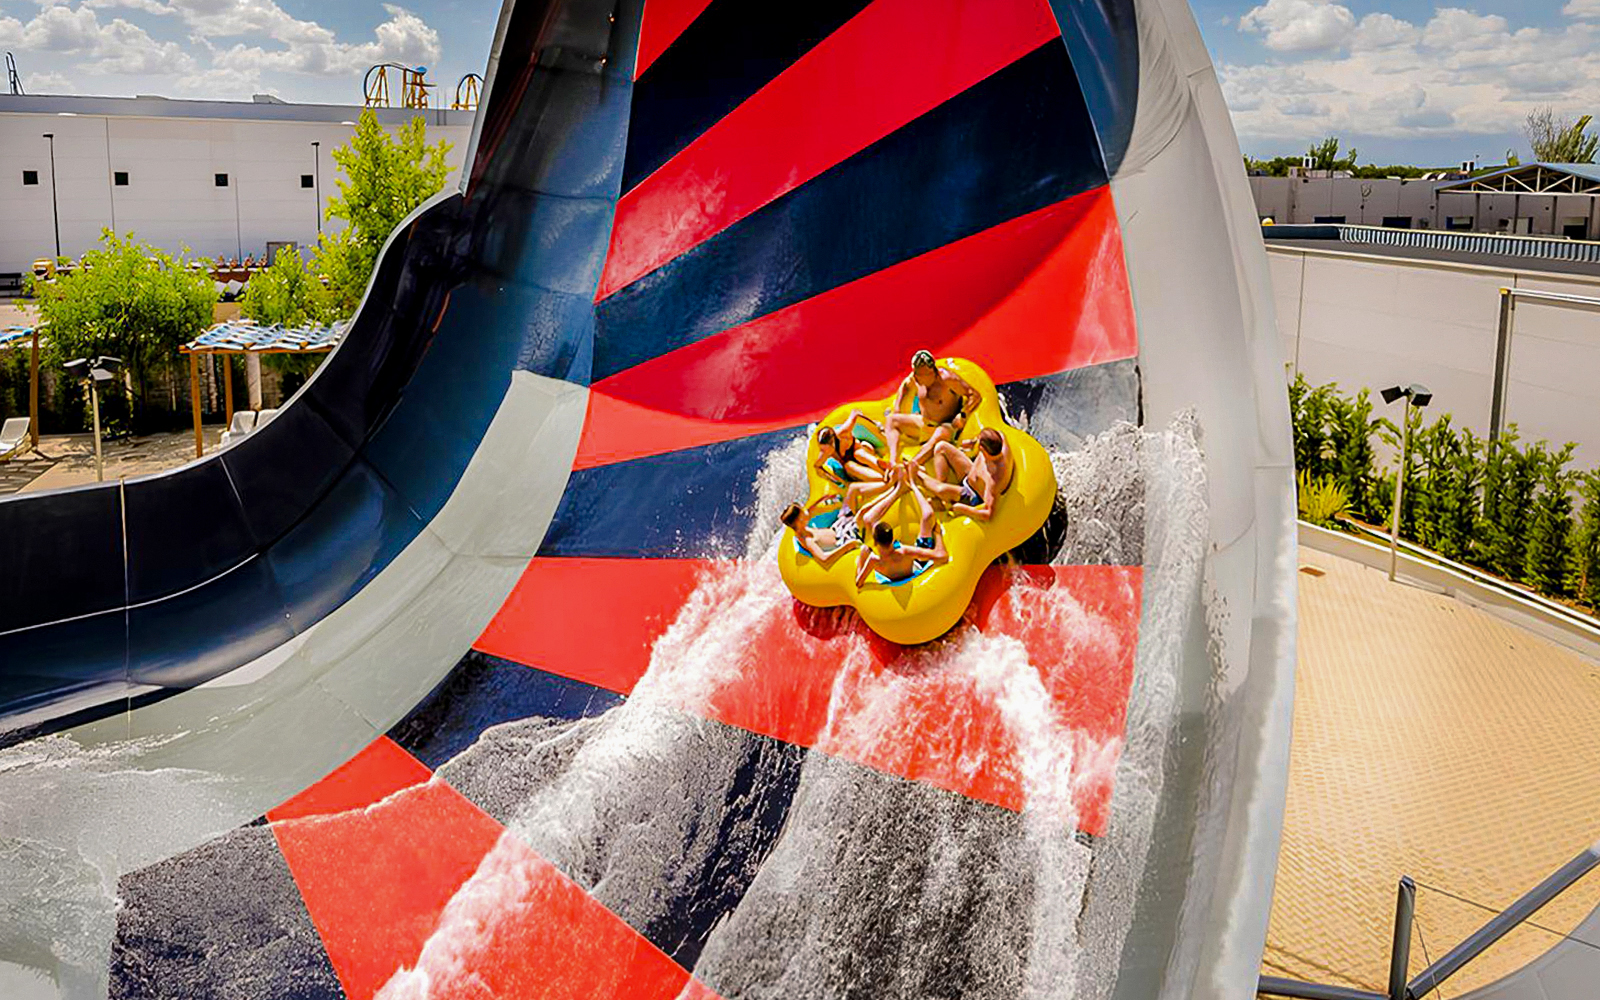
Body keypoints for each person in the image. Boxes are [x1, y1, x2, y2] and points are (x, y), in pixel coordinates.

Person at [854, 467, 948, 586]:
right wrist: (938, 534)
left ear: (875, 542)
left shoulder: (873, 560)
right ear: (893, 539)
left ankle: (898, 489)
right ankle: (912, 484)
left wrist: (860, 560)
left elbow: (858, 582)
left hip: (893, 573)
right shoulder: (905, 551)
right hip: (913, 567)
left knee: (868, 519)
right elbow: (942, 556)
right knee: (927, 516)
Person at [883, 350, 982, 461]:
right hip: (925, 423)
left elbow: (975, 395)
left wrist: (963, 414)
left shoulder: (947, 379)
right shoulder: (916, 379)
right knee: (891, 420)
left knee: (940, 433)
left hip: (947, 426)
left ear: (932, 372)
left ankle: (912, 465)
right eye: (916, 375)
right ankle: (893, 462)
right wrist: (897, 409)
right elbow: (905, 386)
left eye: (920, 376)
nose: (916, 378)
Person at [914, 427, 1013, 522]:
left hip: (973, 495)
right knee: (941, 446)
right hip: (970, 475)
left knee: (941, 489)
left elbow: (988, 514)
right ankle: (942, 497)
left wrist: (963, 509)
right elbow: (999, 433)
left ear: (982, 448)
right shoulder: (999, 443)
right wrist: (973, 442)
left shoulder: (994, 479)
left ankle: (915, 472)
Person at [814, 408, 886, 486]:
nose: (825, 452)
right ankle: (882, 478)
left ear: (833, 442)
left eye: (826, 449)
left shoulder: (843, 433)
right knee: (848, 465)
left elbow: (855, 412)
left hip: (866, 452)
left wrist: (877, 425)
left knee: (859, 453)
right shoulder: (824, 453)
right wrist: (834, 480)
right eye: (822, 449)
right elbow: (817, 467)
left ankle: (884, 469)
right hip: (854, 470)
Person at [781, 501, 858, 563]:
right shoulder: (807, 540)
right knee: (861, 517)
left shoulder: (801, 527)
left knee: (851, 512)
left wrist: (822, 499)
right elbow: (824, 558)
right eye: (803, 511)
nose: (805, 510)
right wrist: (847, 546)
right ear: (800, 520)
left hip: (838, 529)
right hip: (843, 540)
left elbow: (809, 511)